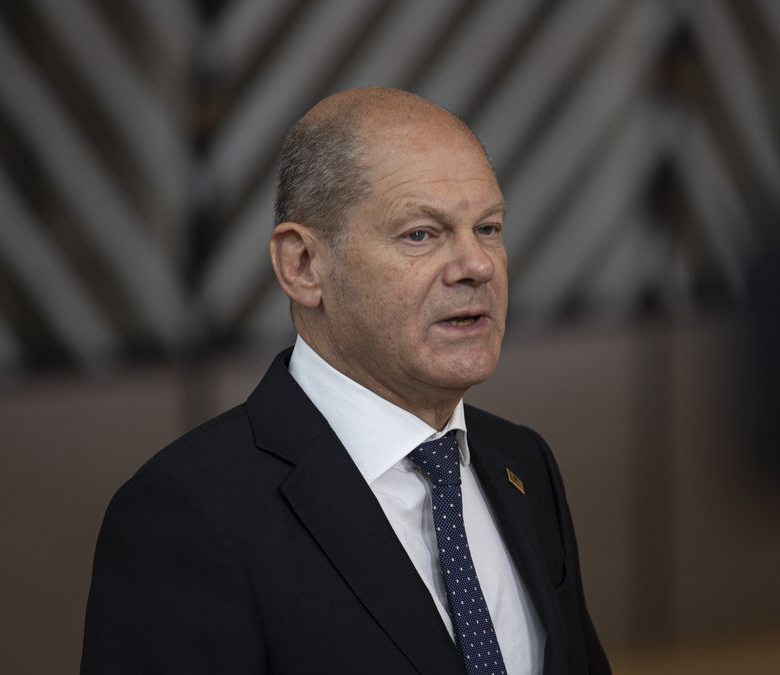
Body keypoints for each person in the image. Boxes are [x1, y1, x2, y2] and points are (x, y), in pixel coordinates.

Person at [81, 87, 609, 675]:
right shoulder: (189, 513)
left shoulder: (523, 463)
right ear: (303, 266)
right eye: (421, 234)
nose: (478, 266)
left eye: (488, 228)